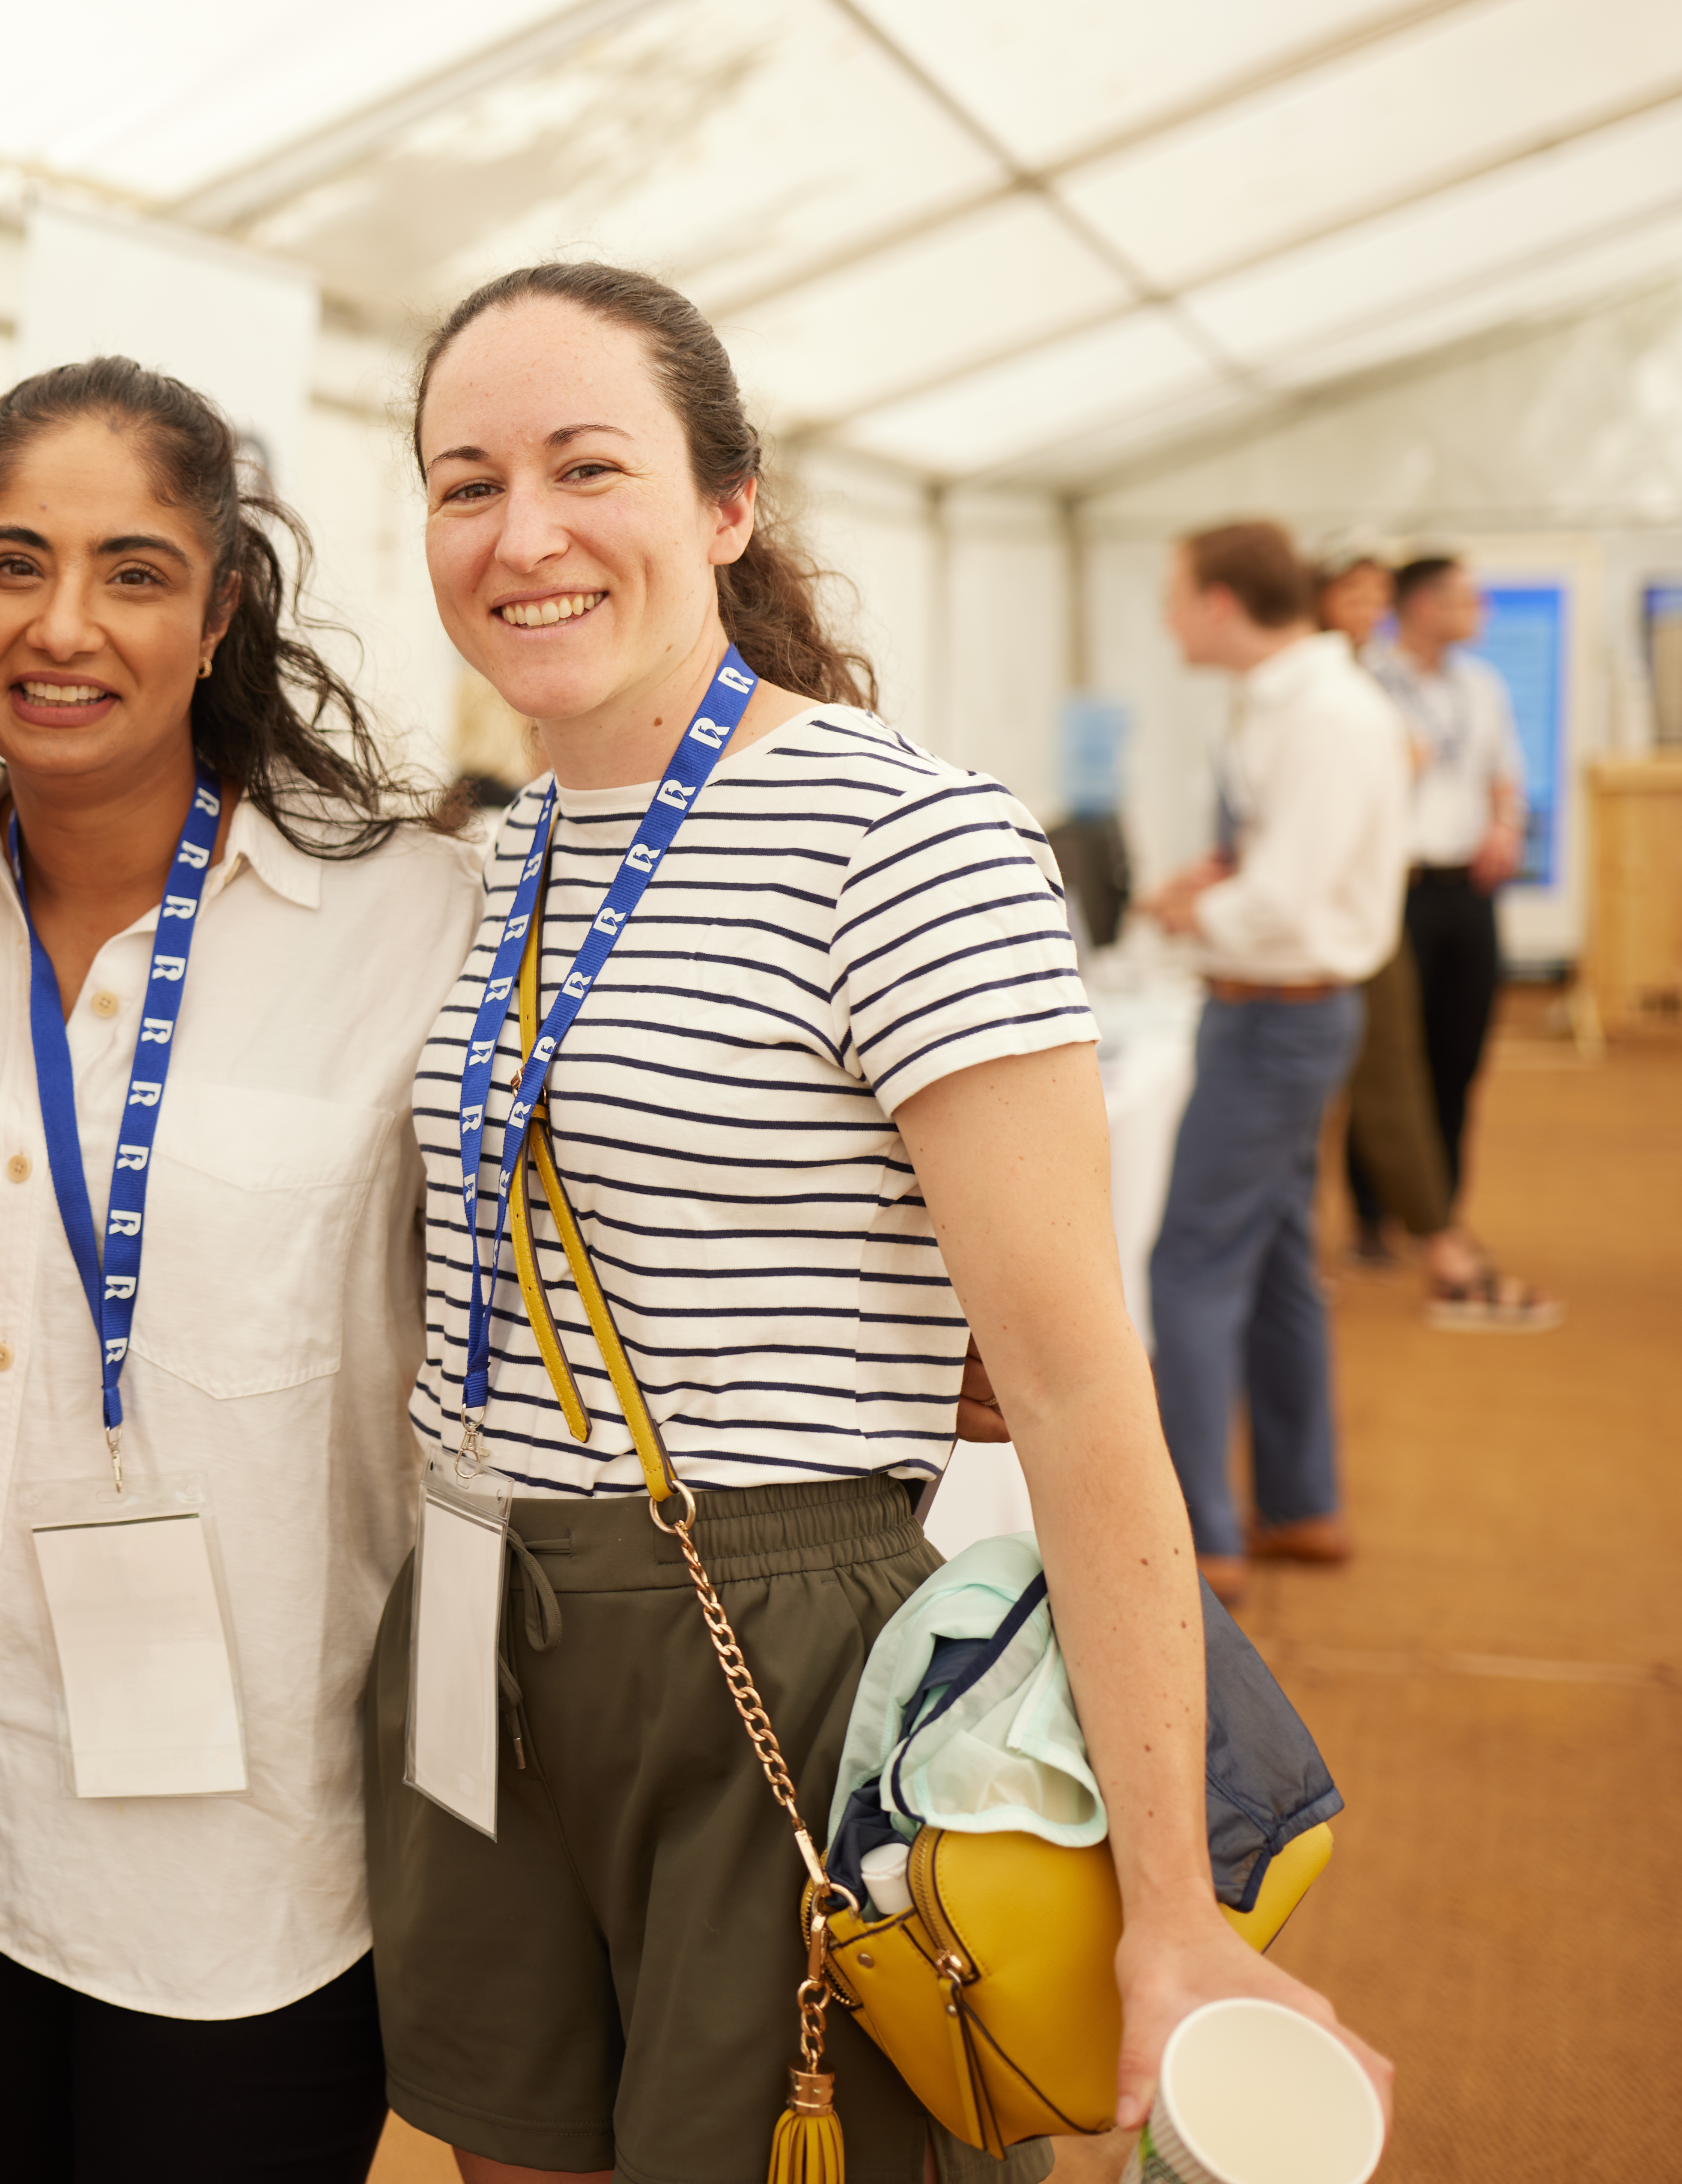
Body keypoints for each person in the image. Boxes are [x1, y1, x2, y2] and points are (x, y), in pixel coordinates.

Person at [364, 267, 1386, 2184]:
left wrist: (1167, 1897)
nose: (521, 535)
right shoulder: (487, 854)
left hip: (769, 1628)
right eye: (461, 481)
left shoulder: (900, 838)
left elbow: (1083, 1395)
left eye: (588, 467)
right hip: (477, 1614)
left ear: (726, 504)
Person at [0, 358, 482, 2182]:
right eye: (9, 563)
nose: (62, 626)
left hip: (250, 1877)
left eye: (132, 571)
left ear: (217, 613)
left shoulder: (410, 920)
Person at [1132, 521, 1412, 1595]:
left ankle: (1201, 1533)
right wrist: (1215, 892)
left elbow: (1285, 903)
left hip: (1278, 1012)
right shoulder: (1289, 703)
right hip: (1277, 1009)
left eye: (1174, 595)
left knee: (1189, 1267)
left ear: (1219, 602)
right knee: (1279, 1261)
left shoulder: (1326, 714)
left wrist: (1181, 911)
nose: (1165, 619)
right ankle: (1300, 1504)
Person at [1363, 555, 1557, 1331]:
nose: (1475, 608)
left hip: (1467, 890)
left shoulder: (1482, 686)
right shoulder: (1370, 684)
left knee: (1459, 1052)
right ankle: (1379, 1218)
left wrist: (1506, 826)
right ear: (1416, 605)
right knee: (1389, 1056)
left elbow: (1505, 771)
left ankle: (1441, 1213)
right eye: (1459, 596)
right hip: (1396, 889)